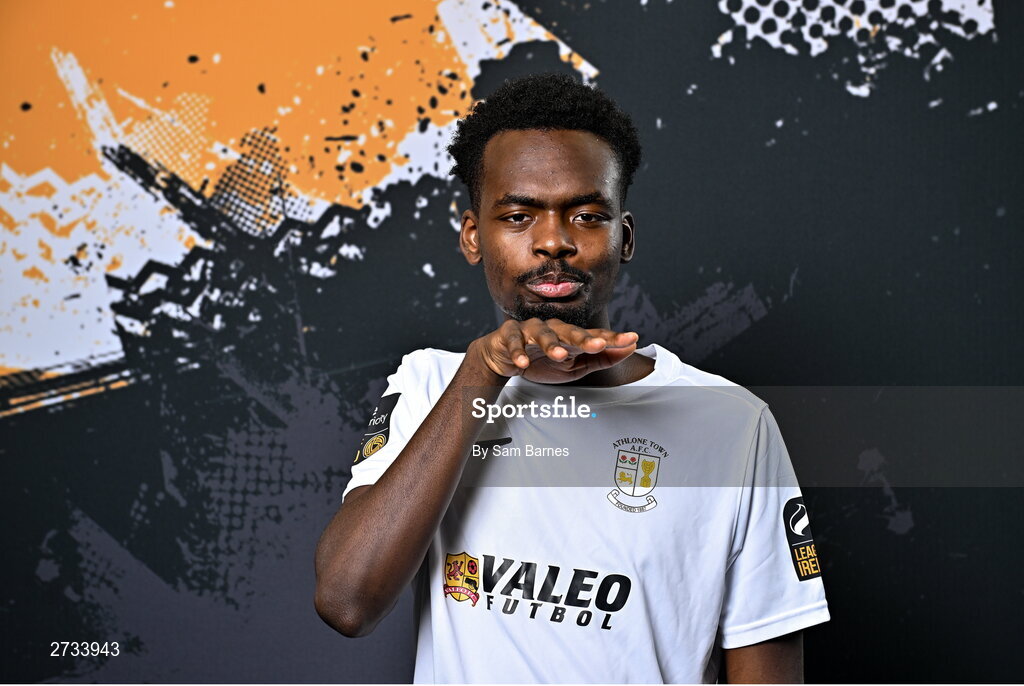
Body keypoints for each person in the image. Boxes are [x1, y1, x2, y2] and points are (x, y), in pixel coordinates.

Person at [314, 72, 829, 683]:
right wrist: (484, 373)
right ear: (474, 236)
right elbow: (347, 601)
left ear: (624, 237)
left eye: (586, 215)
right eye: (518, 216)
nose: (553, 241)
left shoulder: (733, 424)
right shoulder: (432, 386)